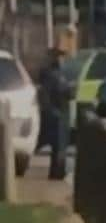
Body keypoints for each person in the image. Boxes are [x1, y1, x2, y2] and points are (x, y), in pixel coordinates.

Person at [39, 48, 74, 180]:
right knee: (56, 145)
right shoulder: (50, 74)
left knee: (61, 146)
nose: (61, 60)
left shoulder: (62, 74)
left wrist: (70, 91)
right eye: (59, 57)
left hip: (63, 114)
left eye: (62, 57)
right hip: (56, 114)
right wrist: (51, 112)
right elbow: (46, 95)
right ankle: (56, 172)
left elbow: (67, 92)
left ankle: (58, 172)